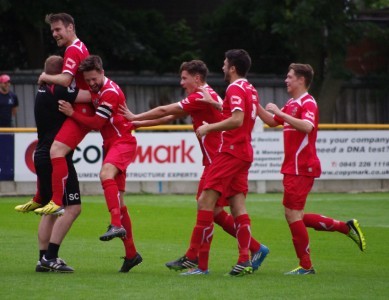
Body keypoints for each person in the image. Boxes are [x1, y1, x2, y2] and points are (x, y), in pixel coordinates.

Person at [119, 59, 269, 274]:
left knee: (205, 204)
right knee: (222, 210)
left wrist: (134, 116)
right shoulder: (207, 95)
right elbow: (171, 116)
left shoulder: (202, 95)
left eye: (184, 78)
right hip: (231, 155)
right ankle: (252, 249)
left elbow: (164, 110)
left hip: (221, 157)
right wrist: (138, 124)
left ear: (196, 78)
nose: (181, 83)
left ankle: (196, 260)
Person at [256, 63, 366, 275]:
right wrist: (257, 106)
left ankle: (306, 266)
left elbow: (307, 126)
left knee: (293, 214)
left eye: (289, 77)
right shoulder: (291, 103)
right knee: (295, 215)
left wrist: (281, 113)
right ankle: (345, 228)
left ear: (301, 80)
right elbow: (272, 121)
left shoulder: (308, 102)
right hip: (292, 167)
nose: (286, 80)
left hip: (302, 166)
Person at [174, 49, 265, 277]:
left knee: (206, 202)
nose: (223, 68)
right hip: (244, 152)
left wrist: (208, 127)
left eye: (225, 64)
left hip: (230, 152)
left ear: (233, 67)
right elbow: (238, 115)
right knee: (237, 207)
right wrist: (216, 106)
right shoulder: (250, 88)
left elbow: (236, 119)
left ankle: (201, 266)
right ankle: (245, 259)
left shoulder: (234, 87)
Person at [58, 55, 142, 272]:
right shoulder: (95, 89)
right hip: (111, 144)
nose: (92, 83)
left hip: (123, 142)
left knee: (105, 173)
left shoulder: (110, 92)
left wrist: (71, 113)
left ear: (102, 72)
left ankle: (115, 225)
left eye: (94, 79)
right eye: (89, 80)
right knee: (120, 203)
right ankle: (131, 254)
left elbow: (96, 123)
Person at [16, 12, 94, 214]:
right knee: (47, 149)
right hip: (78, 105)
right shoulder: (77, 48)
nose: (55, 34)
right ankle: (43, 198)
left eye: (58, 29)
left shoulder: (73, 50)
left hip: (82, 109)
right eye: (52, 31)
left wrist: (45, 76)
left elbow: (66, 80)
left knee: (54, 151)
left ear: (71, 28)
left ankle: (56, 202)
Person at [27, 55, 90, 272]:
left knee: (51, 209)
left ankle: (42, 258)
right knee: (73, 208)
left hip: (42, 155)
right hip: (56, 158)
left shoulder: (43, 90)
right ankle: (51, 257)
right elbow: (92, 95)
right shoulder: (60, 90)